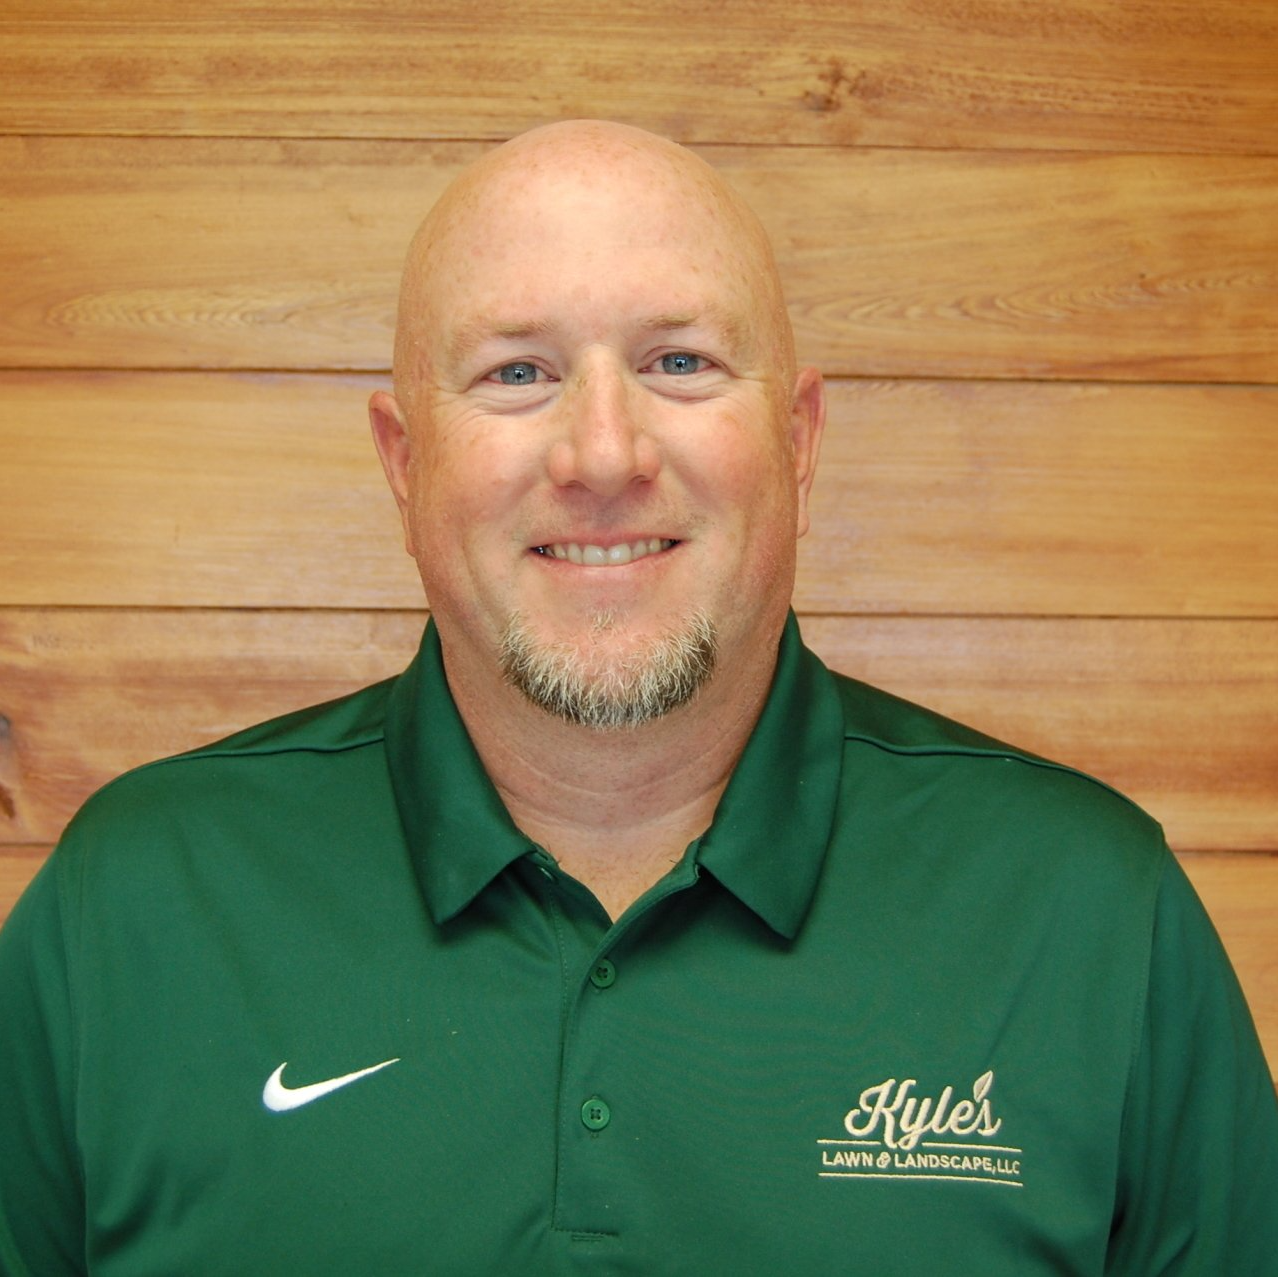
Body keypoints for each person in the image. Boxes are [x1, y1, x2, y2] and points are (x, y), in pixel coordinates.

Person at [1, 120, 1275, 1276]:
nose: (603, 453)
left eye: (679, 361)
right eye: (517, 372)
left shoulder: (1089, 911)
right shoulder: (134, 905)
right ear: (404, 462)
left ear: (799, 441)